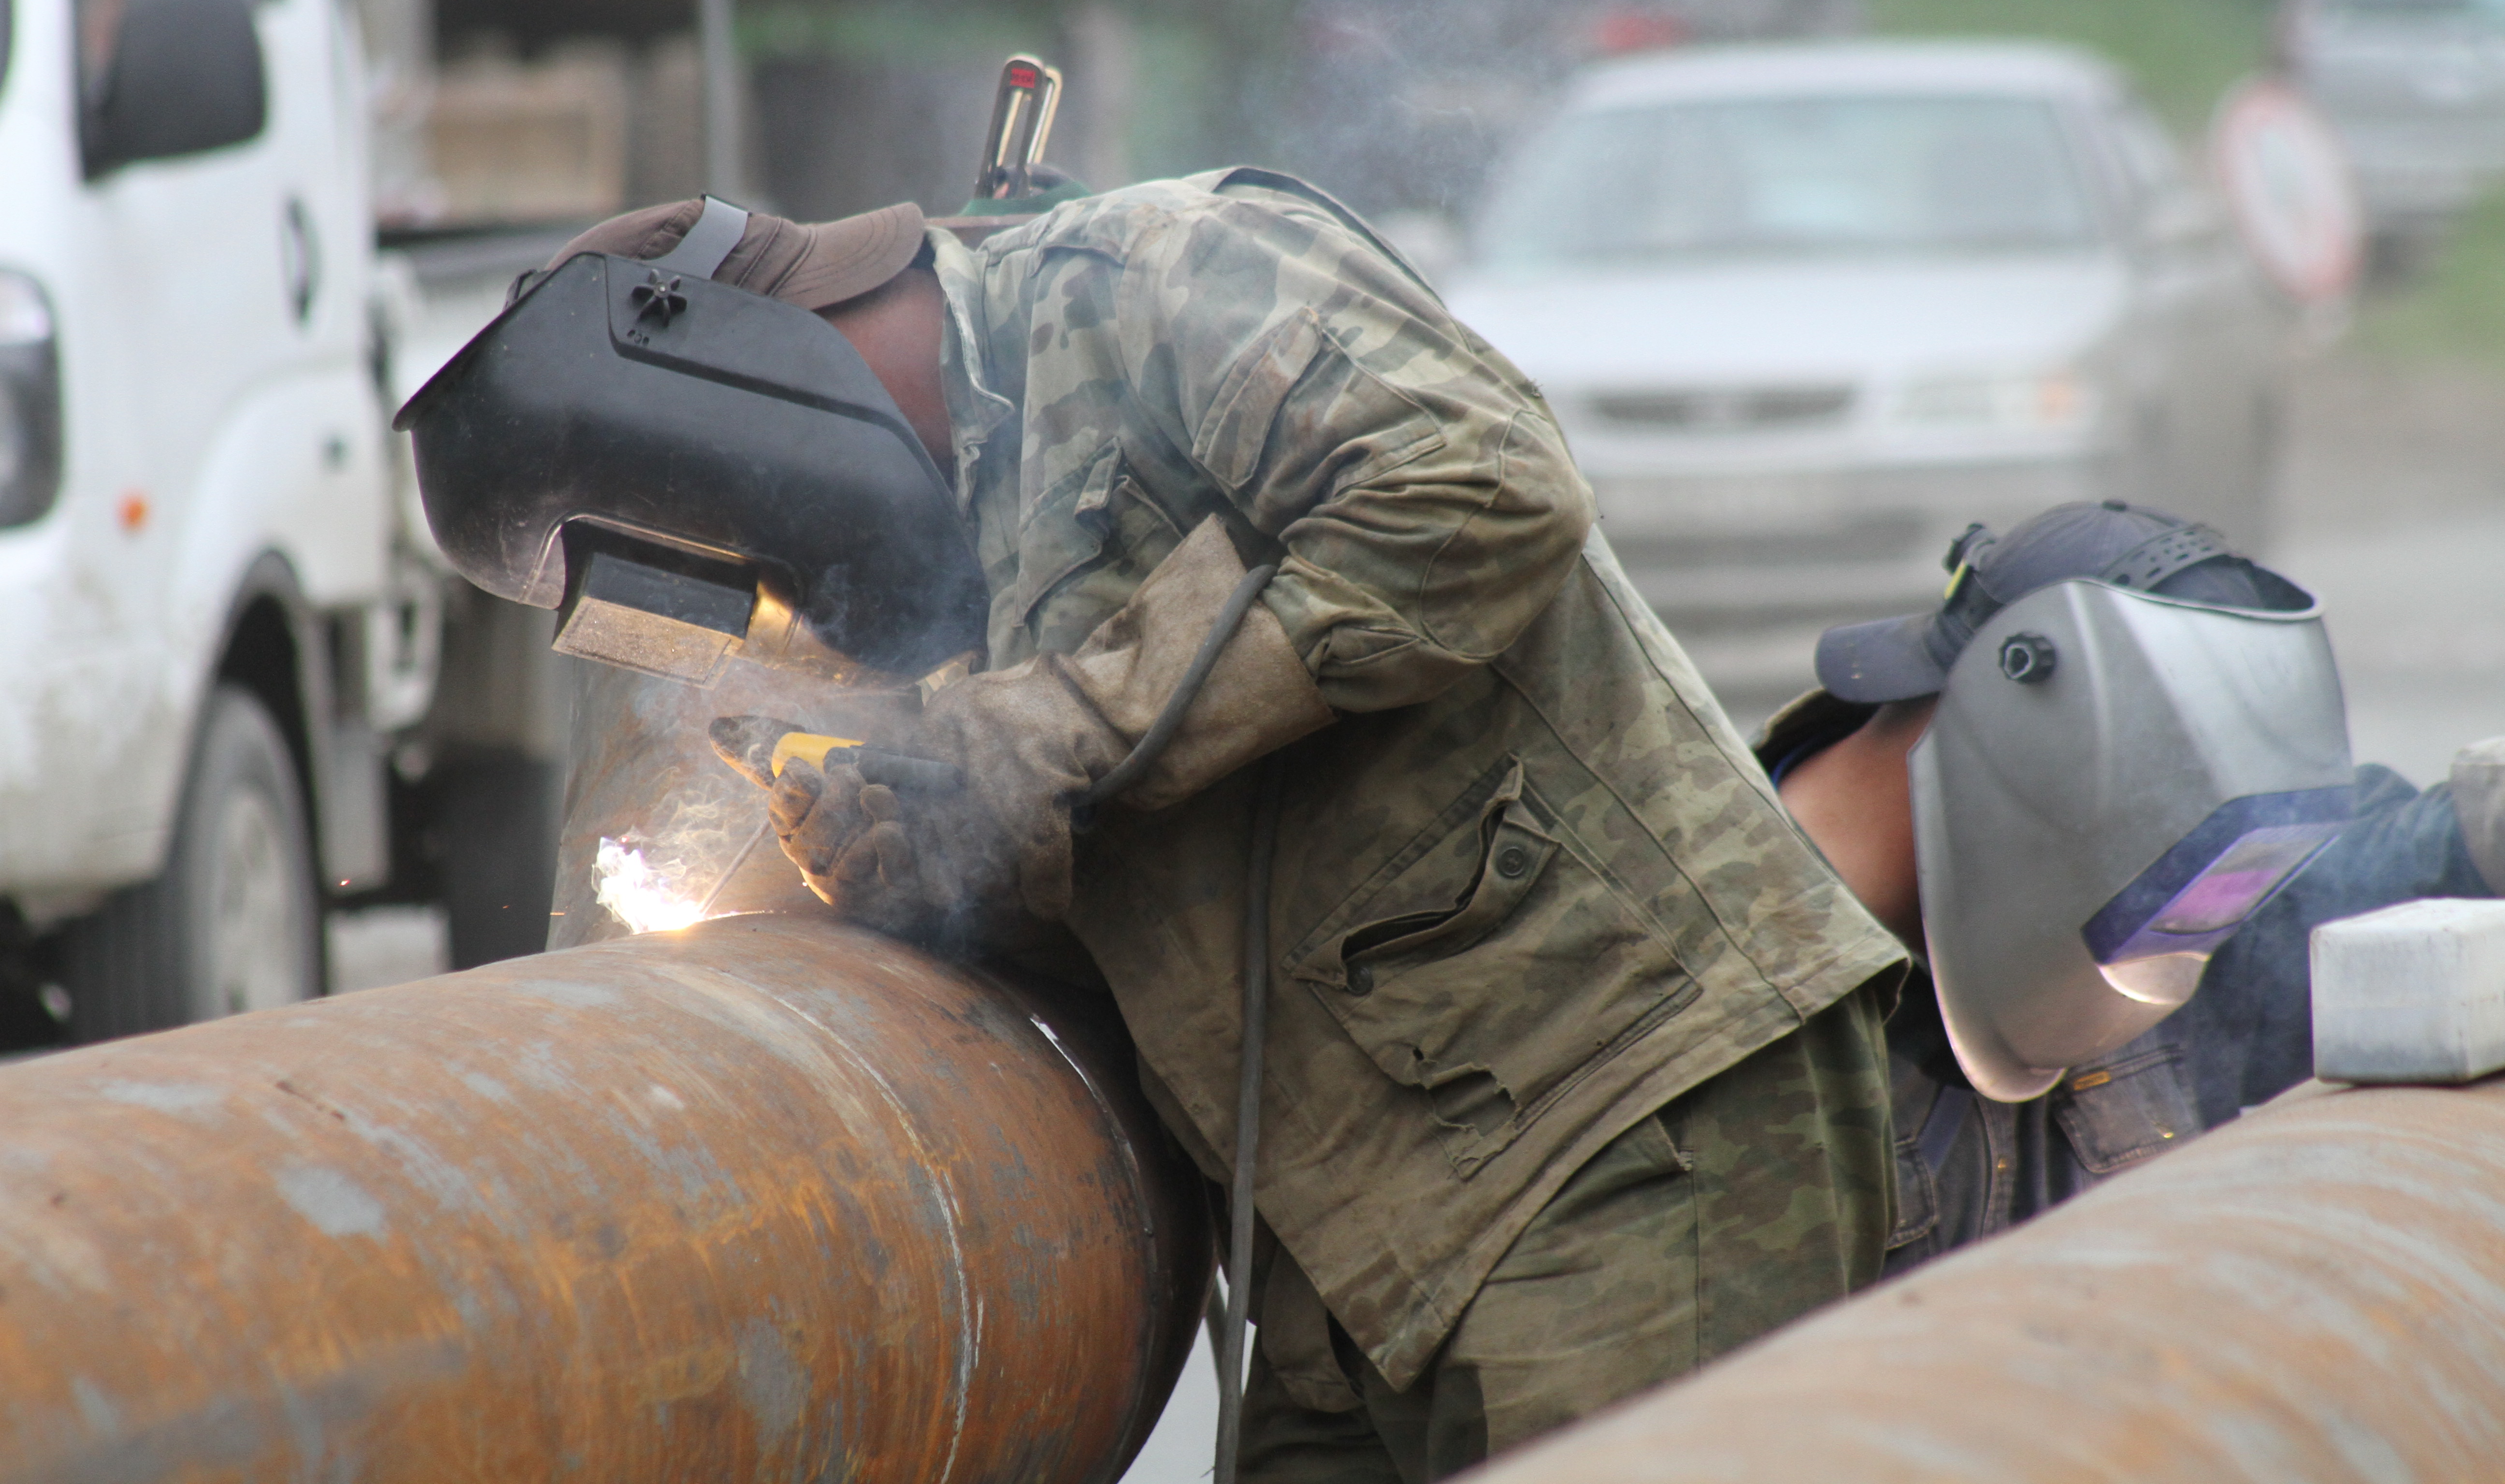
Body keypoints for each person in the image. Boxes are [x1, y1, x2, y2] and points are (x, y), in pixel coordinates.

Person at [541, 174, 1907, 1481]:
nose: (763, 566)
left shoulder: (1161, 268)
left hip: (1622, 1125)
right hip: (1351, 1253)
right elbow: (1172, 864)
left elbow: (1478, 487)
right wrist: (940, 864)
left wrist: (1053, 729)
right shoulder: (935, 565)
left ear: (747, 381)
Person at [1756, 500, 2505, 1274]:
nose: (2182, 926)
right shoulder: (1721, 1030)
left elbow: (2411, 863)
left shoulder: (2164, 914)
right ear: (2025, 745)